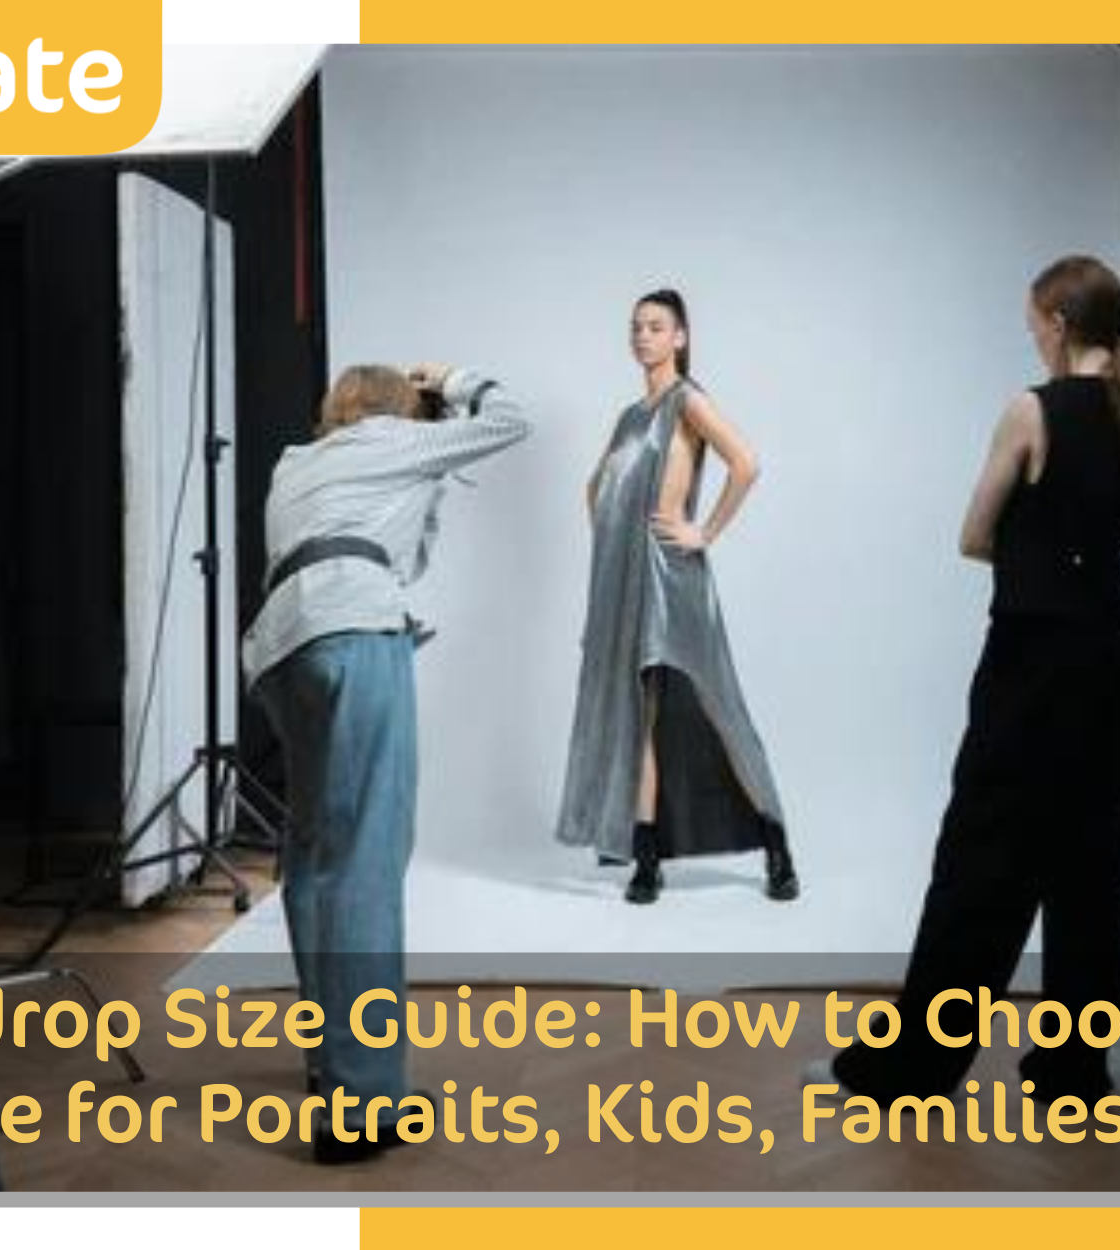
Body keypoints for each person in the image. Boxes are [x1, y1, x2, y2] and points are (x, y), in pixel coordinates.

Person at [813, 255, 1120, 1105]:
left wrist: (1031, 542)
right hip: (1113, 655)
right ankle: (1074, 1071)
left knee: (981, 858)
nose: (1031, 337)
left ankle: (917, 1066)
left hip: (1034, 657)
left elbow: (974, 536)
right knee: (1093, 867)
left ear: (1054, 321)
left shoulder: (1030, 410)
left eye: (1032, 323)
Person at [241, 361, 528, 1163]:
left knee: (313, 858)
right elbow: (512, 420)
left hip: (282, 649)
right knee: (364, 860)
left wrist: (428, 474)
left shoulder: (298, 462)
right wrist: (455, 381)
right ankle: (363, 1104)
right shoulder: (398, 440)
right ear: (400, 409)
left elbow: (402, 551)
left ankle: (333, 1065)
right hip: (357, 633)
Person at [554, 289, 797, 904]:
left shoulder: (688, 400)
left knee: (715, 704)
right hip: (624, 580)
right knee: (640, 712)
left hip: (671, 579)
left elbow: (746, 462)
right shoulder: (631, 416)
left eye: (656, 326)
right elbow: (596, 490)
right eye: (635, 326)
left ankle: (775, 840)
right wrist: (614, 544)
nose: (642, 336)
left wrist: (703, 531)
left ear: (680, 338)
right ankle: (646, 851)